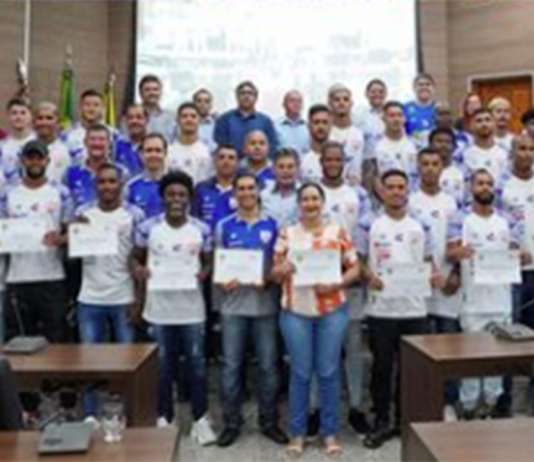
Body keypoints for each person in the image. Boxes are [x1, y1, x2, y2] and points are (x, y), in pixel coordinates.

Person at [271, 182, 360, 457]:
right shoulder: (287, 233)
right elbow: (274, 272)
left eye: (315, 199)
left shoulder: (338, 232)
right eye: (305, 199)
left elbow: (355, 267)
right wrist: (283, 269)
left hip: (332, 311)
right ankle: (297, 434)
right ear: (299, 204)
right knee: (300, 373)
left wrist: (336, 283)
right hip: (295, 311)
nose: (310, 204)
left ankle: (329, 433)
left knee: (329, 372)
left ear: (322, 203)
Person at [131, 170, 217, 444]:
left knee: (197, 366)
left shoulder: (202, 229)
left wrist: (205, 272)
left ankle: (200, 419)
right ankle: (164, 417)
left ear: (189, 198)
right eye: (171, 194)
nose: (176, 199)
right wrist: (139, 270)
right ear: (163, 197)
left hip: (192, 309)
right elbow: (134, 258)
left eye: (182, 194)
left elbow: (209, 261)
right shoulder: (147, 227)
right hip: (158, 309)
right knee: (163, 367)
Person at [358, 169, 439, 449]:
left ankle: (406, 421)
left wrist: (433, 275)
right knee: (382, 367)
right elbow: (358, 260)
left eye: (400, 187)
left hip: (414, 309)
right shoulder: (369, 224)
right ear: (381, 191)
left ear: (407, 190)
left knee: (411, 369)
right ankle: (381, 420)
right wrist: (368, 276)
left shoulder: (420, 225)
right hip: (381, 309)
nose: (395, 191)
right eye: (390, 187)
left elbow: (428, 261)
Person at [215, 172, 287, 447]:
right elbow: (218, 266)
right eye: (241, 189)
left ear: (258, 192)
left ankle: (269, 422)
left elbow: (280, 266)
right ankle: (231, 423)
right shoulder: (224, 226)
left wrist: (268, 279)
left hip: (265, 306)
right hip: (232, 307)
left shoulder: (273, 225)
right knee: (231, 367)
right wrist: (222, 281)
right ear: (234, 194)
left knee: (268, 366)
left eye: (250, 188)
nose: (246, 193)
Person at [446, 169, 521, 418]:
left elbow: (520, 253)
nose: (485, 187)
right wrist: (460, 253)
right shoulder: (460, 218)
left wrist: (520, 256)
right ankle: (468, 409)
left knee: (496, 359)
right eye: (480, 183)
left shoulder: (507, 220)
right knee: (471, 356)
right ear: (471, 187)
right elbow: (450, 253)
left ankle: (490, 406)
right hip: (472, 302)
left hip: (501, 301)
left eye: (489, 183)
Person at [72, 163, 143, 422]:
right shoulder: (83, 213)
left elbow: (140, 258)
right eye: (102, 182)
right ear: (95, 186)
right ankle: (91, 414)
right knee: (90, 360)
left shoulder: (135, 215)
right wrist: (74, 233)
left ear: (121, 184)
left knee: (127, 360)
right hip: (89, 297)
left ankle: (127, 413)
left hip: (123, 296)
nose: (107, 186)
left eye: (112, 181)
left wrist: (138, 299)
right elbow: (73, 256)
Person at [319, 142, 371, 434]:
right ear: (321, 162)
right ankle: (316, 408)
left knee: (353, 346)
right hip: (319, 280)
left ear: (345, 162)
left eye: (338, 159)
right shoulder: (312, 191)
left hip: (351, 278)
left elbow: (364, 233)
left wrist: (357, 267)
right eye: (328, 159)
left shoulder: (358, 194)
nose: (333, 163)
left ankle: (356, 406)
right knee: (320, 346)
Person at [2, 140, 72, 343]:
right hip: (18, 278)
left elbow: (73, 231)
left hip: (51, 277)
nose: (35, 162)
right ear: (22, 161)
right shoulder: (7, 193)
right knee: (18, 341)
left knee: (55, 340)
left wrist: (61, 238)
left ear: (47, 160)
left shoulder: (61, 192)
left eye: (39, 157)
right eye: (30, 157)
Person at [409, 148, 460, 421]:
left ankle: (448, 402)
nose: (430, 168)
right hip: (418, 286)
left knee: (449, 345)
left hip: (447, 285)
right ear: (418, 167)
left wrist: (455, 275)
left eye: (435, 163)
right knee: (421, 347)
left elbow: (461, 242)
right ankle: (422, 402)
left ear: (442, 167)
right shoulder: (409, 201)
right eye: (425, 163)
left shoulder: (452, 203)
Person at [498, 134, 534, 326]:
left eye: (531, 149)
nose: (527, 154)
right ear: (511, 153)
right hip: (514, 268)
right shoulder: (501, 185)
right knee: (516, 325)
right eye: (522, 149)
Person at [214, 81, 278, 158]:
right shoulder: (224, 119)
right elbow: (221, 147)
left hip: (258, 164)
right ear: (237, 97)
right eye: (242, 93)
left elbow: (272, 147)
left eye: (250, 93)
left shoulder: (265, 121)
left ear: (256, 98)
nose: (246, 96)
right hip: (233, 164)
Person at [63, 124, 119, 209]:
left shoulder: (120, 172)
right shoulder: (70, 173)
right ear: (85, 142)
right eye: (92, 139)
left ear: (109, 143)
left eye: (101, 139)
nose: (97, 143)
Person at [457, 108, 508, 193]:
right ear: (471, 126)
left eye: (488, 120)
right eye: (479, 121)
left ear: (494, 124)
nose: (484, 124)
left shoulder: (505, 152)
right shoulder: (462, 154)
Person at [371, 101, 418, 194]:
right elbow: (374, 177)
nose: (396, 119)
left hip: (411, 196)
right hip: (385, 198)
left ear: (404, 118)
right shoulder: (375, 145)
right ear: (383, 118)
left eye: (400, 115)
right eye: (392, 115)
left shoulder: (415, 144)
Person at [192, 144, 239, 228]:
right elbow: (194, 219)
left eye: (231, 158)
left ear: (237, 163)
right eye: (221, 157)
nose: (226, 161)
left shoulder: (244, 190)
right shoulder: (201, 188)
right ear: (214, 161)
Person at [327, 84, 364, 185]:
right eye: (337, 100)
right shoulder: (325, 134)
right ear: (330, 104)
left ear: (351, 103)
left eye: (346, 99)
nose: (341, 103)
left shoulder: (359, 133)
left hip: (354, 189)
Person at [168, 102, 212, 185]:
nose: (189, 119)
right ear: (177, 120)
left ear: (199, 120)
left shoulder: (208, 151)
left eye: (193, 116)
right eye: (184, 116)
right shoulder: (168, 151)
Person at [64, 89, 112, 161]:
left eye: (96, 105)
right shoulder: (67, 136)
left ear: (102, 108)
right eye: (87, 105)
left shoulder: (114, 136)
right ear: (80, 108)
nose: (91, 109)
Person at [33, 102, 72, 184]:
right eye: (40, 118)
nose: (44, 122)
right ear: (34, 122)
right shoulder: (24, 150)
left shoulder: (67, 151)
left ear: (58, 122)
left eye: (49, 118)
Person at [260, 148, 300, 228]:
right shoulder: (263, 196)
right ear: (273, 170)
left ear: (298, 169)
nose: (285, 171)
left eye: (290, 167)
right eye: (281, 167)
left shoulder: (306, 195)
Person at [0, 97, 34, 183]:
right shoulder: (2, 146)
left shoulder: (39, 142)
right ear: (8, 116)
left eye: (23, 113)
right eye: (14, 113)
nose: (18, 117)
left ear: (31, 116)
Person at [430, 128, 466, 208]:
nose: (443, 145)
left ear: (454, 147)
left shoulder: (463, 171)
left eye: (448, 142)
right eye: (439, 141)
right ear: (430, 145)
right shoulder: (423, 171)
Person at [353, 79, 387, 161]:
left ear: (386, 94)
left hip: (387, 160)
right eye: (373, 92)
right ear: (366, 94)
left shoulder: (392, 114)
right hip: (366, 160)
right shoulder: (358, 114)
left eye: (381, 92)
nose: (377, 94)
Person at [138, 74, 175, 142]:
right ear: (140, 93)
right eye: (147, 90)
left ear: (161, 92)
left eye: (155, 89)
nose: (152, 93)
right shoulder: (131, 118)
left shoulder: (171, 118)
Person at [404, 73, 437, 148]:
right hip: (411, 149)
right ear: (414, 88)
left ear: (434, 88)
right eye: (420, 85)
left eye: (428, 84)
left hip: (433, 150)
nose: (424, 87)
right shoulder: (405, 108)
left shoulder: (439, 109)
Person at [300, 104, 332, 182]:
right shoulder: (300, 159)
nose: (321, 126)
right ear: (308, 125)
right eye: (316, 122)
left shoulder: (340, 158)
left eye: (325, 122)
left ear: (331, 125)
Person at [113, 104, 147, 178]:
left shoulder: (153, 145)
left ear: (147, 120)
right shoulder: (116, 144)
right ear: (125, 120)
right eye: (130, 118)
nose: (134, 121)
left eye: (139, 117)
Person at [275, 90, 309, 157]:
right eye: (292, 100)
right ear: (284, 104)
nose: (296, 104)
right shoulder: (275, 126)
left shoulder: (309, 127)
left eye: (299, 101)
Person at [193, 88, 217, 153]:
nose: (202, 104)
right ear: (193, 103)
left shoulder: (217, 125)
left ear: (211, 105)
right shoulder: (184, 123)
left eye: (206, 101)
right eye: (199, 101)